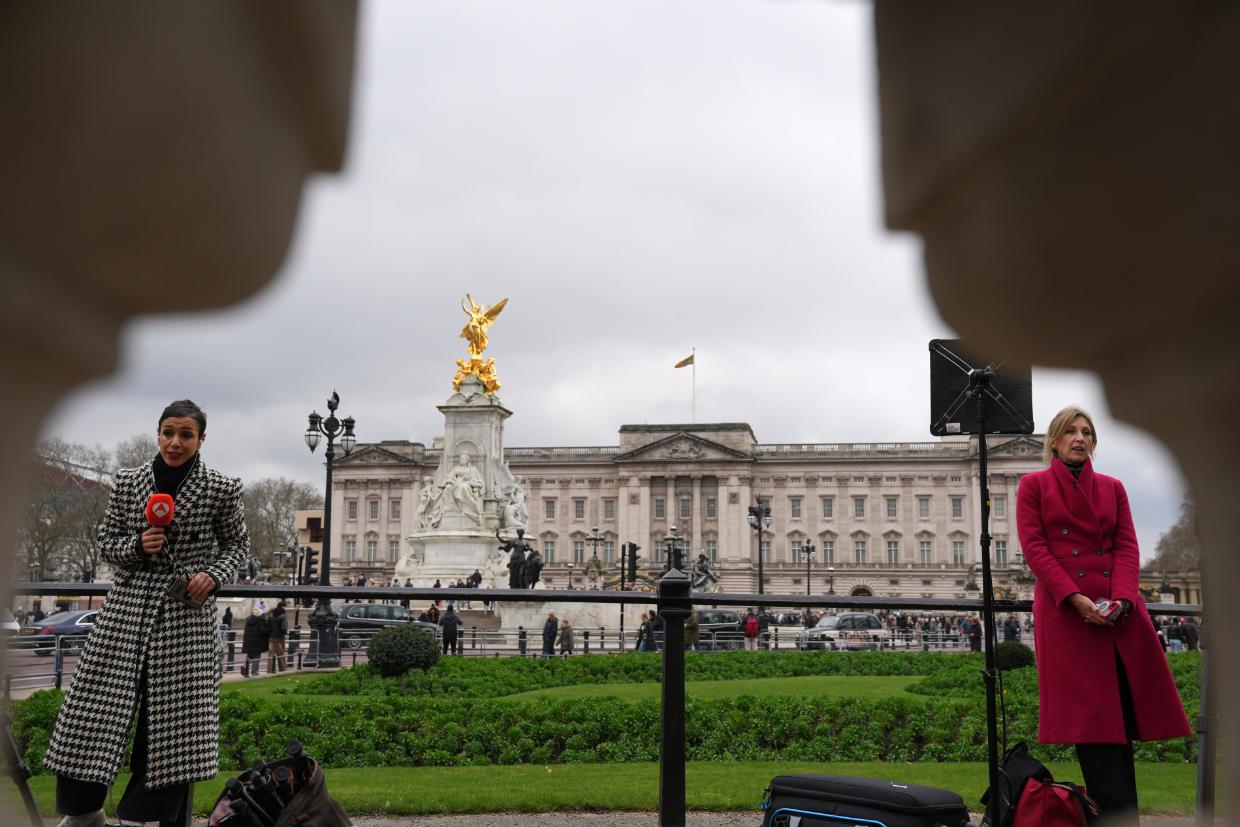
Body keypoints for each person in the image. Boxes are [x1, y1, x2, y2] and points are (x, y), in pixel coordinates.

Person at [44, 400, 249, 827]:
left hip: (184, 616)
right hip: (125, 611)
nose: (175, 442)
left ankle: (141, 817)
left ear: (201, 439)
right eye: (168, 432)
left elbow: (237, 547)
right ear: (157, 434)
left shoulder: (222, 488)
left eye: (186, 435)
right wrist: (137, 545)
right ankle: (83, 811)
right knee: (92, 709)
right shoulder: (129, 481)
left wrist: (212, 575)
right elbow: (107, 541)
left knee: (171, 728)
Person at [1017, 406, 1191, 825]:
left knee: (1121, 724)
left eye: (1087, 432)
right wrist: (1074, 597)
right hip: (1069, 617)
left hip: (1119, 618)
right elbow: (1035, 549)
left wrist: (1124, 599)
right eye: (1071, 432)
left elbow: (1127, 546)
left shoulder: (1113, 488)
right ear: (1054, 441)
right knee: (1093, 727)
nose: (1080, 438)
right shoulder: (1033, 485)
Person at [241, 607, 270, 677]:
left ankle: (245, 667)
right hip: (258, 642)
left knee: (249, 655)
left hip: (249, 642)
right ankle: (254, 672)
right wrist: (269, 628)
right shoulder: (260, 621)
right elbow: (262, 631)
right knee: (256, 656)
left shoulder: (248, 621)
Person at [268, 601, 288, 673]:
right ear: (282, 606)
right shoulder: (283, 616)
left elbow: (268, 625)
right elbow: (284, 627)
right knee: (281, 654)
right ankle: (282, 670)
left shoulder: (271, 615)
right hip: (280, 637)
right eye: (285, 606)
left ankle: (269, 670)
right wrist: (284, 633)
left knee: (271, 654)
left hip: (271, 637)